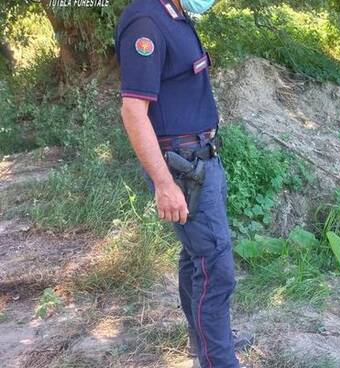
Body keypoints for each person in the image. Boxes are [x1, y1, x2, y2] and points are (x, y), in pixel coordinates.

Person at [115, 0, 243, 367]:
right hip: (182, 168)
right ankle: (219, 359)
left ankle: (206, 343)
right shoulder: (146, 21)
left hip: (201, 158)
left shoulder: (174, 15)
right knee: (216, 266)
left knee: (196, 259)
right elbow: (133, 111)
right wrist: (163, 183)